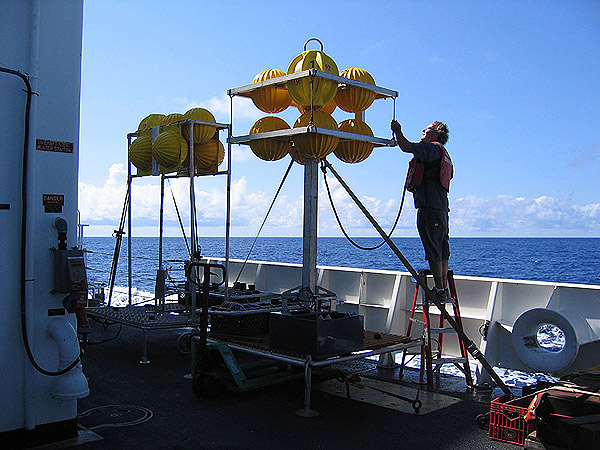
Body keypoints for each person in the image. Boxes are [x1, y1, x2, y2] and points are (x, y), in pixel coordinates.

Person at [391, 119, 453, 302]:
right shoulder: (443, 154)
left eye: (426, 130)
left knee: (433, 248)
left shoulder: (432, 149)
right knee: (442, 249)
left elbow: (406, 147)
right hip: (441, 209)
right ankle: (443, 288)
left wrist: (397, 131)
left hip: (430, 207)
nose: (423, 131)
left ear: (436, 133)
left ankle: (440, 290)